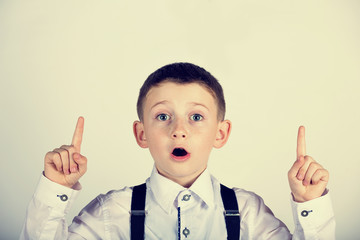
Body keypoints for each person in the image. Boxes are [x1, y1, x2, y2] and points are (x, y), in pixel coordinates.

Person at [20, 63, 335, 239]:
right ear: (141, 134)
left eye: (196, 117)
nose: (179, 129)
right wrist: (55, 192)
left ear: (220, 134)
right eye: (162, 116)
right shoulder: (109, 213)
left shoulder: (248, 213)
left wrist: (309, 204)